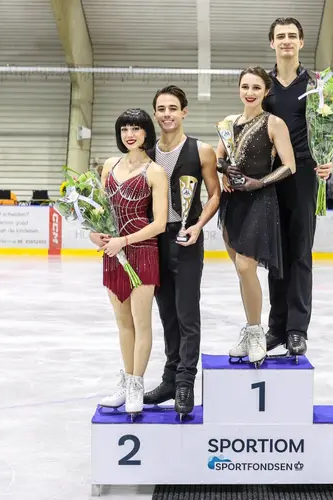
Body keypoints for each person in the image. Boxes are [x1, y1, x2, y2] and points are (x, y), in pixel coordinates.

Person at [142, 85, 221, 416]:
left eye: (173, 108)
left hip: (187, 238)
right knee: (167, 315)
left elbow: (216, 194)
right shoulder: (146, 153)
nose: (166, 114)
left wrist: (198, 226)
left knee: (187, 313)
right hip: (154, 241)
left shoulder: (201, 151)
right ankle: (170, 378)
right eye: (161, 109)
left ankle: (186, 381)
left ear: (184, 112)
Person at [261, 17, 332, 357]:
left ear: (301, 42)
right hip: (270, 176)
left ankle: (296, 330)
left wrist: (329, 159)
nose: (286, 41)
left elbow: (328, 127)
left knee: (301, 253)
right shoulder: (262, 83)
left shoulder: (317, 83)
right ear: (271, 43)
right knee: (276, 255)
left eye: (292, 36)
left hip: (303, 173)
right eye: (280, 36)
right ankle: (276, 328)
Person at [217, 65, 296, 367]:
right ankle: (251, 327)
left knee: (245, 264)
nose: (250, 93)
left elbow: (289, 165)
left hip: (260, 199)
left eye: (256, 88)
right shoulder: (229, 122)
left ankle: (256, 333)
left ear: (266, 91)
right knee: (241, 270)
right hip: (232, 202)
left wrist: (259, 182)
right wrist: (224, 170)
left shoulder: (274, 123)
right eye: (245, 87)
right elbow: (219, 156)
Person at [91, 108, 169, 416]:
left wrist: (123, 241)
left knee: (141, 323)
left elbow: (160, 223)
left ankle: (137, 384)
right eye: (124, 129)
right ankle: (125, 382)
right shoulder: (109, 165)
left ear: (146, 133)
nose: (130, 134)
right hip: (112, 254)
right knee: (123, 324)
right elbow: (98, 211)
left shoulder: (155, 172)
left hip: (142, 252)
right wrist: (94, 235)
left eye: (136, 128)